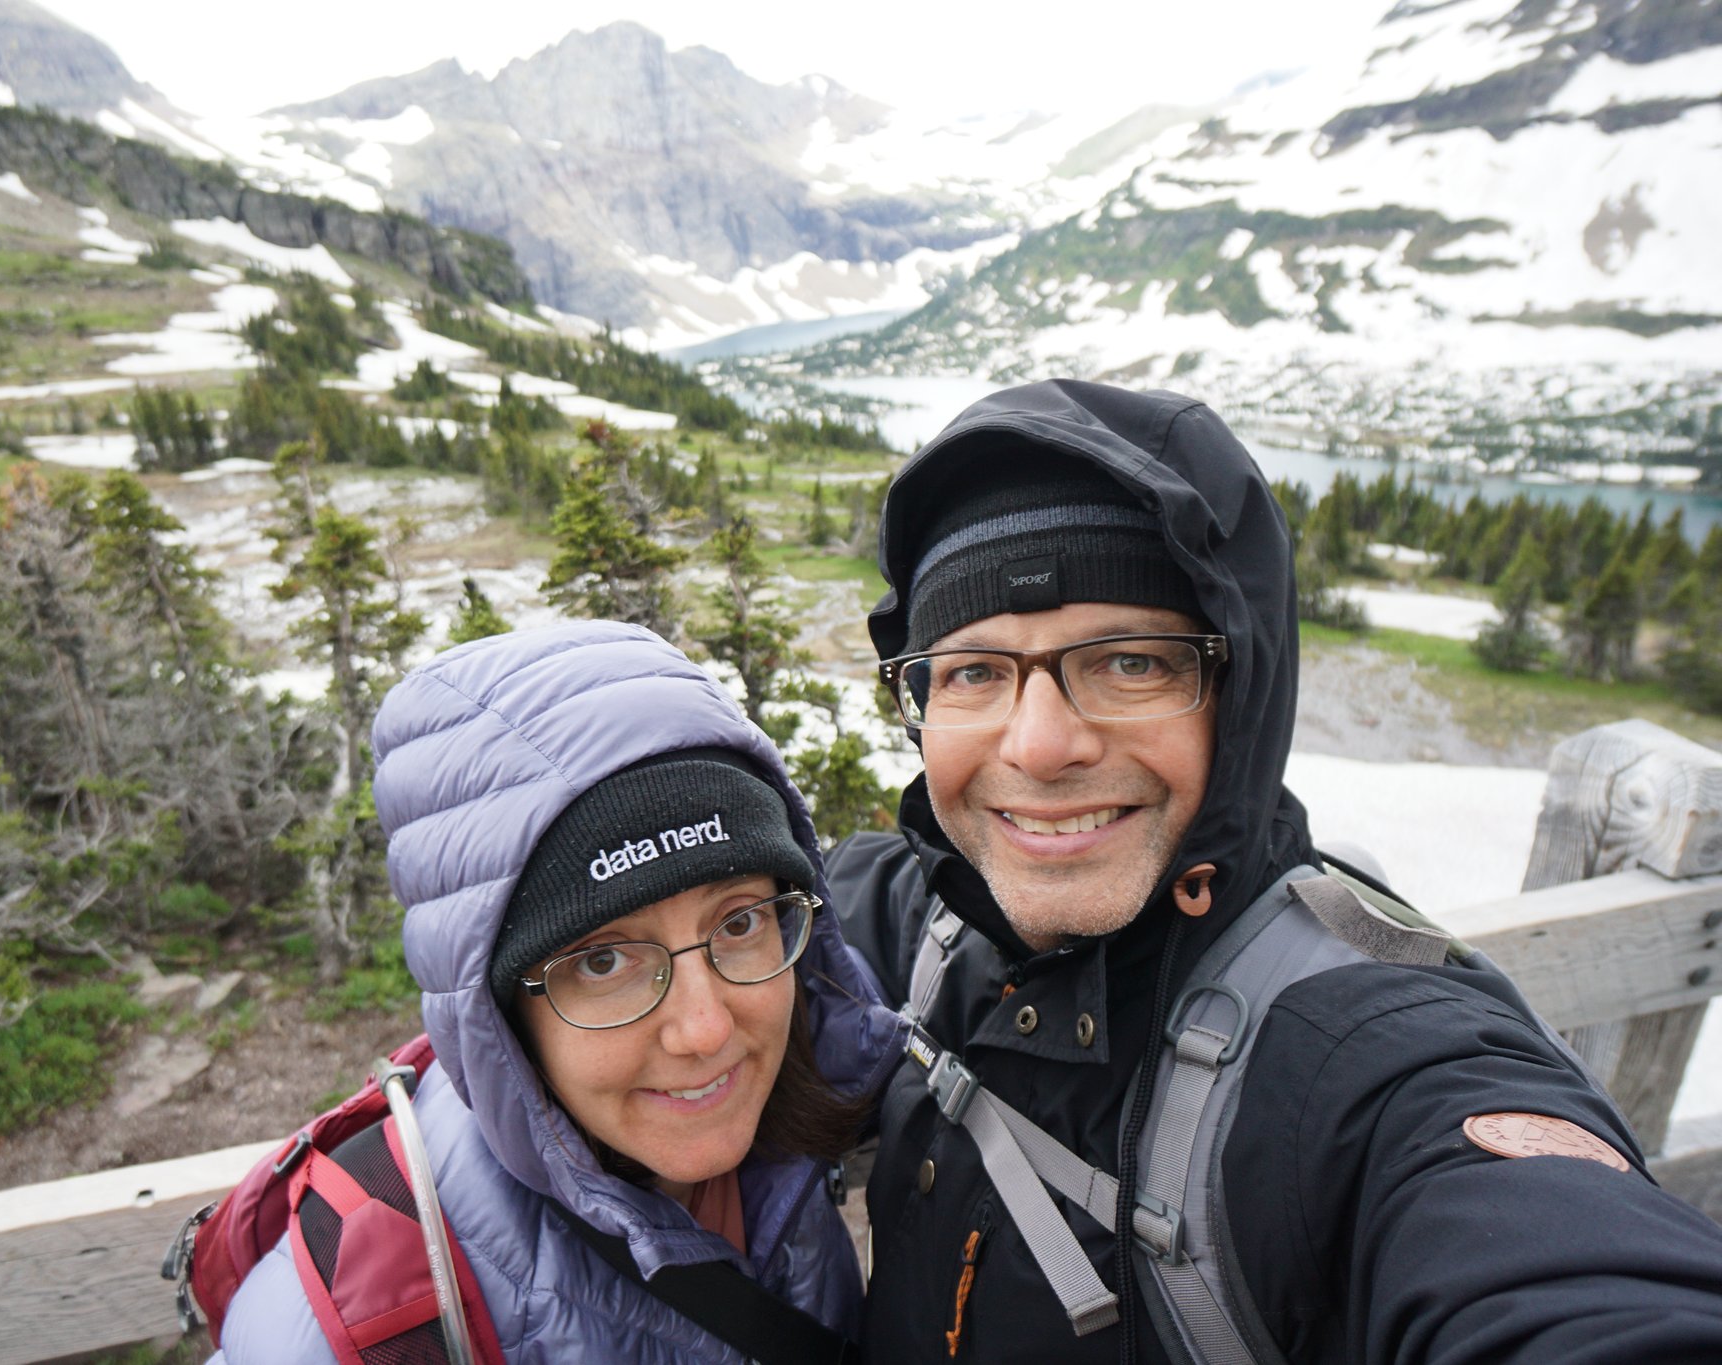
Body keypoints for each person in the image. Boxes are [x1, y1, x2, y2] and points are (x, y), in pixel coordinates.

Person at [828, 379, 1722, 1364]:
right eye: (972, 671)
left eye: (1130, 662)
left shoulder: (1358, 1066)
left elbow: (1564, 1272)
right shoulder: (935, 916)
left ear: (1239, 691)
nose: (1038, 746)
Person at [211, 619, 902, 1364]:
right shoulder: (325, 1337)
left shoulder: (791, 1118)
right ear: (497, 1014)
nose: (705, 1028)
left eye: (738, 921)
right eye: (603, 961)